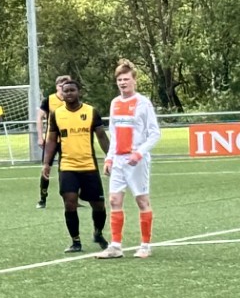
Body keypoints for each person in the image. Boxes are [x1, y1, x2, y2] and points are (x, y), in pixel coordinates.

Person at [100, 59, 161, 259]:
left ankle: (145, 245)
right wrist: (109, 158)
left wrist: (139, 152)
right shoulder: (115, 103)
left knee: (142, 200)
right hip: (118, 159)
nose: (122, 83)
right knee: (114, 199)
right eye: (119, 80)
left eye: (126, 79)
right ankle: (116, 246)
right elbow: (114, 134)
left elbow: (154, 134)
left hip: (137, 160)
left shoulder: (143, 103)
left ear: (134, 80)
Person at [41, 76, 109, 253]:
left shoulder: (91, 111)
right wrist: (46, 163)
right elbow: (51, 140)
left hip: (89, 166)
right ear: (61, 94)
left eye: (72, 90)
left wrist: (111, 157)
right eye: (65, 91)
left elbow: (101, 136)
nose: (69, 93)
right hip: (68, 167)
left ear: (79, 92)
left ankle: (98, 232)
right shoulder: (57, 114)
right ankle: (76, 241)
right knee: (69, 203)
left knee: (99, 206)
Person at [38, 74, 72, 207]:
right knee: (46, 168)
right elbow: (39, 117)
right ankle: (42, 198)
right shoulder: (49, 100)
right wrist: (40, 137)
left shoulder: (72, 100)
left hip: (67, 141)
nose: (62, 89)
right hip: (51, 141)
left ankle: (68, 197)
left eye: (65, 86)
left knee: (66, 170)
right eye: (60, 86)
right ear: (56, 87)